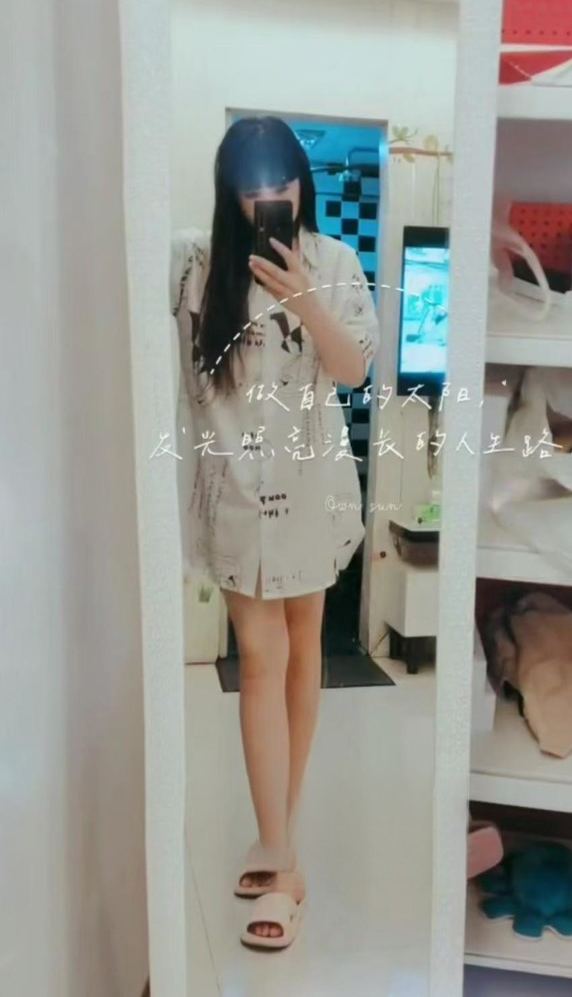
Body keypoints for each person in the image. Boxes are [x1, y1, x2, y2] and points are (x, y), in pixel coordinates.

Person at [170, 116, 380, 948]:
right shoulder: (196, 263)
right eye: (252, 188)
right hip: (232, 492)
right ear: (229, 194)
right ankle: (282, 859)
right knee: (261, 656)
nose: (270, 200)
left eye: (282, 184)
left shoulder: (334, 262)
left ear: (302, 184)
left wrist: (304, 300)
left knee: (302, 651)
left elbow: (354, 369)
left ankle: (276, 841)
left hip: (312, 488)